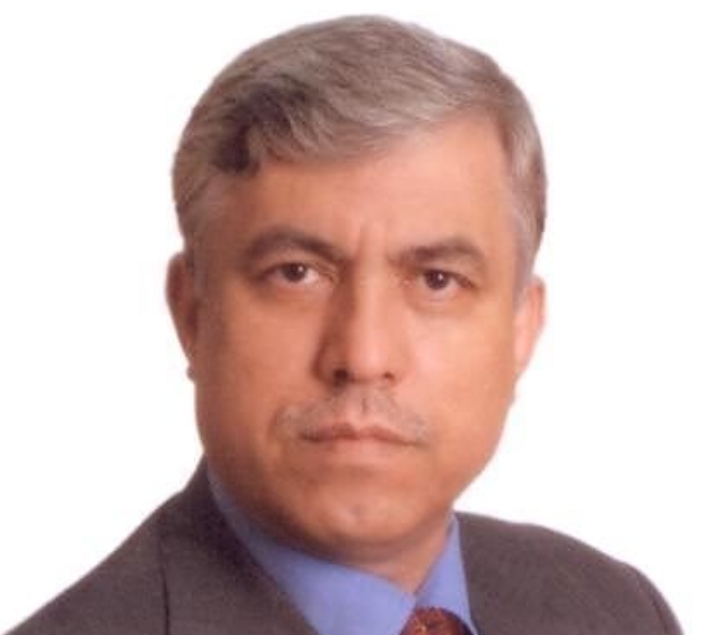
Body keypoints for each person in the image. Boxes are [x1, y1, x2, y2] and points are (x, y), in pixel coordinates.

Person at [7, 15, 682, 635]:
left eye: (437, 280)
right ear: (192, 314)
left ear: (521, 329)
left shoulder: (617, 611)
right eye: (296, 273)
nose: (362, 353)